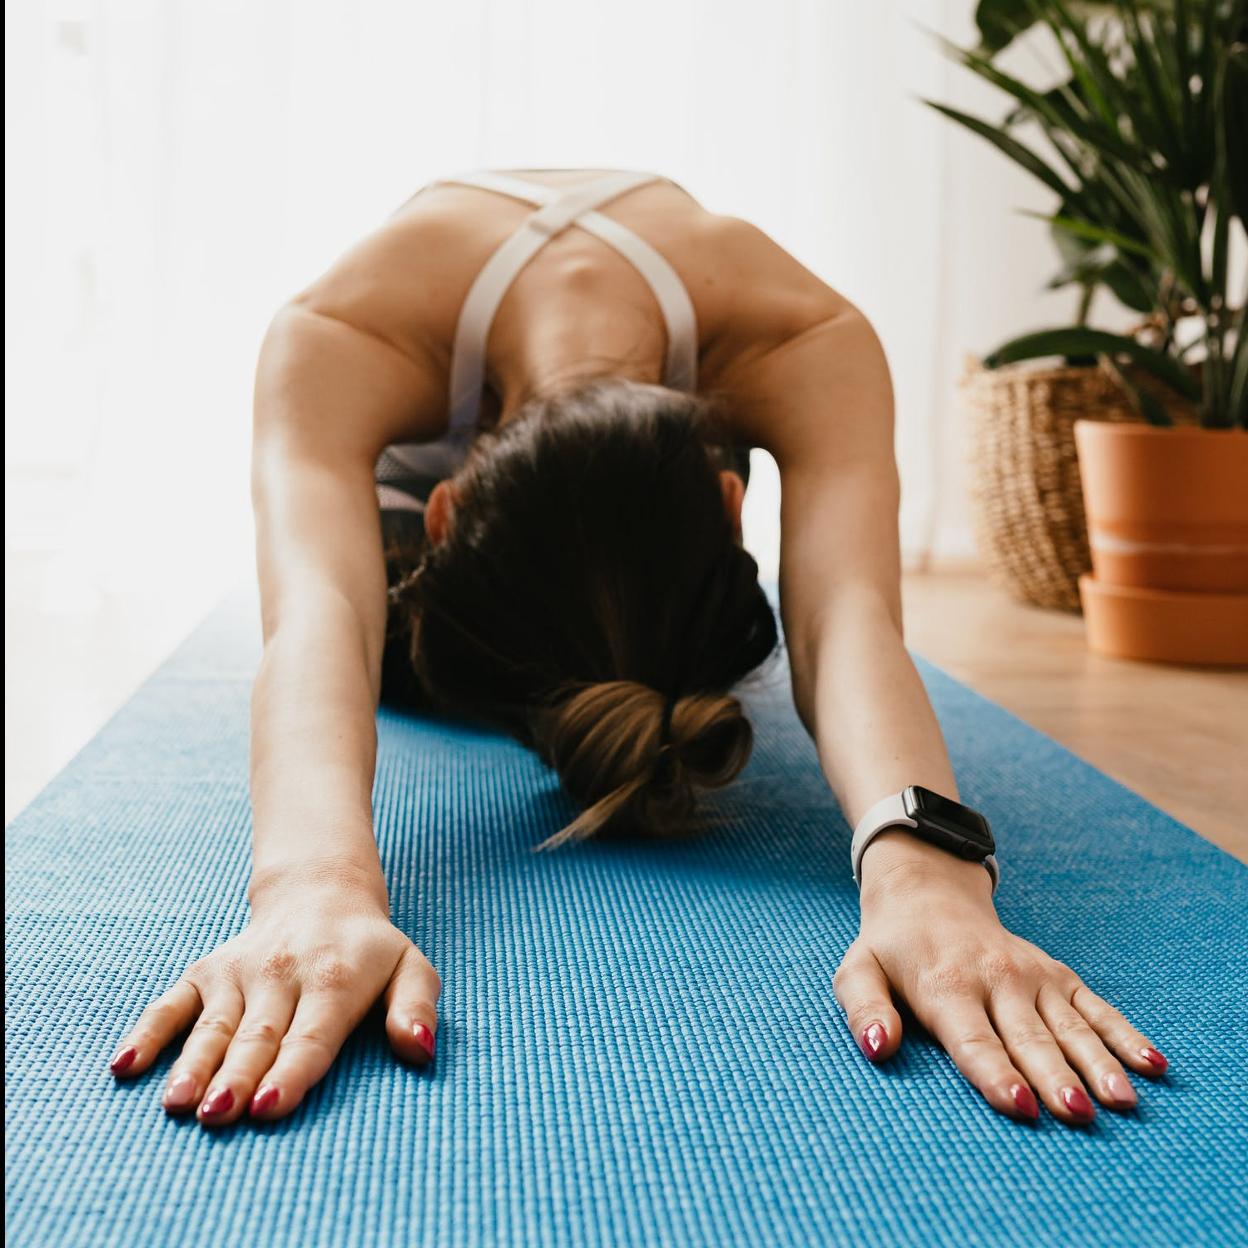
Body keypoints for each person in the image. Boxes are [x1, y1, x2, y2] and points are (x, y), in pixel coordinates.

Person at [106, 167, 1168, 1128]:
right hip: (406, 528)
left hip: (524, 513)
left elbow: (843, 618)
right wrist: (311, 885)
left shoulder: (804, 334)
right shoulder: (342, 328)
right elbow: (320, 618)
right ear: (445, 515)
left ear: (726, 501)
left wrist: (929, 875)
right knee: (387, 649)